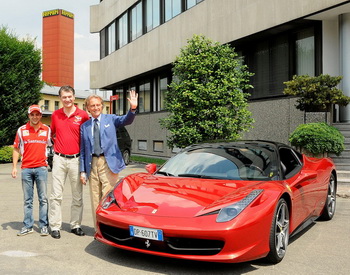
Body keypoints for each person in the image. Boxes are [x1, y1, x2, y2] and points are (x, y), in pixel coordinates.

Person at [80, 90, 138, 229]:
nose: (95, 108)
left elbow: (126, 120)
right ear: (87, 108)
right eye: (92, 105)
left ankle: (109, 227)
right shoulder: (85, 126)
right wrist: (82, 171)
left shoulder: (111, 119)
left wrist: (133, 109)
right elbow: (83, 150)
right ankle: (98, 228)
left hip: (108, 162)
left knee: (107, 196)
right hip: (92, 164)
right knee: (95, 198)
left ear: (102, 105)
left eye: (98, 105)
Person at [49, 85, 90, 239]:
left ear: (74, 97)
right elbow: (52, 133)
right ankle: (54, 226)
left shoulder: (83, 115)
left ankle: (75, 225)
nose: (67, 99)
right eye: (64, 97)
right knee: (56, 195)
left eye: (69, 96)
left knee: (77, 195)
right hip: (59, 159)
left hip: (76, 160)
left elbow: (87, 137)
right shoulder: (55, 115)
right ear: (60, 98)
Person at [12, 105, 52, 236]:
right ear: (29, 115)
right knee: (27, 200)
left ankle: (43, 225)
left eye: (37, 114)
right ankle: (28, 226)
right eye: (32, 114)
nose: (35, 117)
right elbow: (16, 149)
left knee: (43, 199)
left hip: (41, 168)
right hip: (26, 169)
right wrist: (14, 167)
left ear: (41, 115)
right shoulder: (21, 130)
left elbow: (52, 146)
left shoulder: (47, 129)